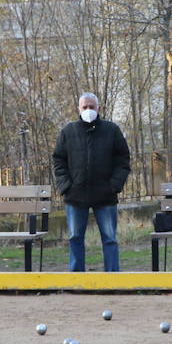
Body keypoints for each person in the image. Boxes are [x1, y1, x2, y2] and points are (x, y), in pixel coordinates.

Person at [51, 92, 131, 272]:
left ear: (98, 108)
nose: (88, 110)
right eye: (85, 107)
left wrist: (114, 186)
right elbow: (58, 161)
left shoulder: (112, 130)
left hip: (105, 195)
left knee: (110, 238)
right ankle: (76, 277)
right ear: (78, 109)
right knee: (74, 238)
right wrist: (66, 187)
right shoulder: (67, 132)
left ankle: (112, 278)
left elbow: (123, 160)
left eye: (91, 107)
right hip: (75, 196)